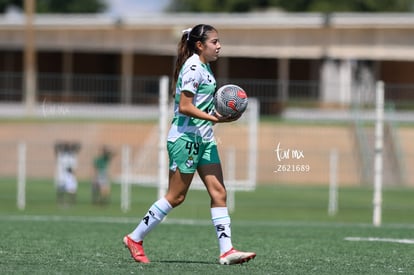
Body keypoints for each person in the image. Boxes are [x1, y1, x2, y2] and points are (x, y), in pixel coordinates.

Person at [123, 24, 256, 265]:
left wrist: (216, 117)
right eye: (214, 42)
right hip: (185, 139)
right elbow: (184, 107)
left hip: (204, 139)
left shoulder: (204, 67)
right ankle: (135, 238)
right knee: (176, 197)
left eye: (218, 41)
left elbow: (200, 105)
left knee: (219, 192)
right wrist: (216, 117)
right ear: (200, 45)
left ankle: (227, 251)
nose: (219, 46)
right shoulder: (194, 67)